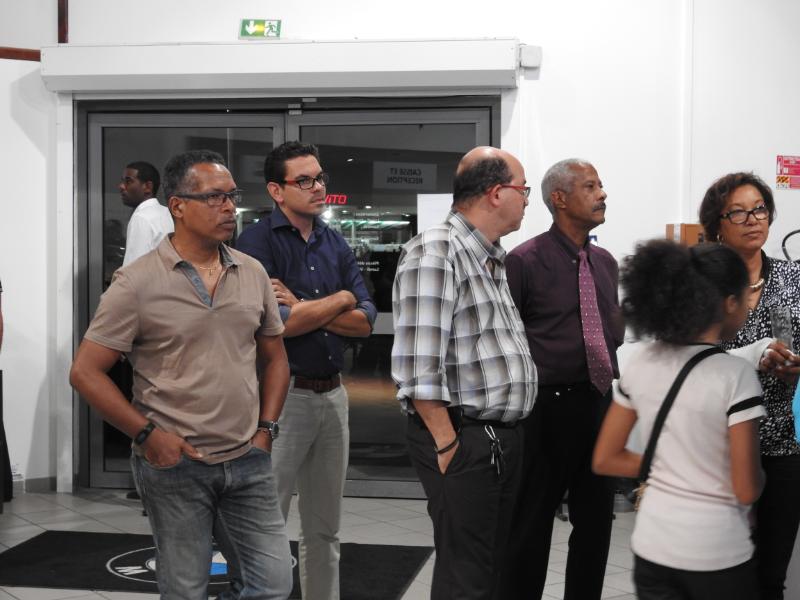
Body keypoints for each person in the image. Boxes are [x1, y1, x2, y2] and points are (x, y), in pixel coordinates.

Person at [70, 149, 293, 600]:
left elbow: (276, 360)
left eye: (232, 196)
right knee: (186, 589)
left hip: (246, 458)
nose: (229, 207)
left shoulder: (251, 272)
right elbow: (85, 372)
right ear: (178, 206)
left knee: (272, 584)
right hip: (174, 465)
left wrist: (266, 430)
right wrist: (148, 435)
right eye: (214, 197)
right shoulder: (135, 282)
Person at [391, 146, 537, 600]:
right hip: (464, 436)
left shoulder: (490, 257)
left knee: (490, 569)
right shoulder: (437, 251)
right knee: (467, 576)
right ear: (496, 193)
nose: (526, 199)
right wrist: (449, 445)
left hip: (497, 437)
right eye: (523, 189)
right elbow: (419, 367)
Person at [236, 141, 376, 600]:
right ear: (276, 190)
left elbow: (365, 321)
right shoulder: (255, 243)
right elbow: (278, 323)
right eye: (304, 180)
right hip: (283, 399)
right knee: (266, 524)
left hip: (333, 396)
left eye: (320, 178)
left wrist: (308, 304)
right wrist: (340, 300)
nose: (318, 187)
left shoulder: (334, 241)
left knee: (325, 529)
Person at [592, 240, 765, 600]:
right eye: (744, 297)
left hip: (653, 547)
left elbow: (606, 459)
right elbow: (746, 488)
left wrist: (670, 465)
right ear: (728, 303)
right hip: (717, 553)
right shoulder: (735, 375)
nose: (748, 307)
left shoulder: (642, 362)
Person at [501, 158, 624, 600]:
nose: (602, 193)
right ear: (560, 198)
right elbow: (508, 338)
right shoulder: (523, 261)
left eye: (601, 185)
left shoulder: (605, 262)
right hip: (545, 410)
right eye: (590, 186)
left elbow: (611, 330)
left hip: (600, 402)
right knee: (531, 524)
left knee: (596, 524)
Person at [699, 172, 800, 600]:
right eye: (737, 212)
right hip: (717, 445)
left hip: (782, 442)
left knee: (771, 573)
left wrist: (793, 367)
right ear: (717, 224)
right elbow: (685, 358)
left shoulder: (793, 278)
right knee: (720, 573)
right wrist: (751, 356)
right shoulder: (700, 281)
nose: (752, 219)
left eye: (759, 209)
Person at [119, 160, 174, 266]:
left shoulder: (142, 217)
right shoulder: (168, 213)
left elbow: (134, 270)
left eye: (128, 181)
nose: (121, 186)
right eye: (122, 181)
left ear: (148, 187)